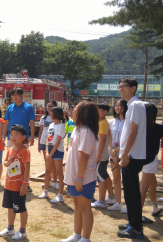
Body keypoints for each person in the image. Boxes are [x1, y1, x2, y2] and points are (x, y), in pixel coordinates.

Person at [60, 101, 99, 242]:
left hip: (84, 177)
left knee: (85, 207)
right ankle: (76, 234)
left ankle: (86, 238)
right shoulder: (76, 129)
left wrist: (80, 178)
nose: (72, 111)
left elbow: (84, 156)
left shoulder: (87, 132)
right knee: (77, 205)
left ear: (83, 113)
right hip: (74, 176)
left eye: (75, 109)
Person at [116, 78, 147, 239]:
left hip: (132, 156)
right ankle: (133, 223)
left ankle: (136, 228)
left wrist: (125, 154)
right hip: (132, 154)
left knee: (131, 193)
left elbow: (133, 132)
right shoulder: (133, 105)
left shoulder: (135, 105)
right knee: (130, 192)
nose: (121, 89)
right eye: (120, 86)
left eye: (124, 86)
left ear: (133, 88)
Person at [139, 103, 163, 223]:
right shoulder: (156, 128)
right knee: (143, 187)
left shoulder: (138, 127)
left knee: (152, 182)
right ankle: (138, 215)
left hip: (138, 159)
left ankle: (155, 208)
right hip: (149, 160)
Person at [0, 124, 31, 240]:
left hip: (19, 186)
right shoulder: (10, 150)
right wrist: (7, 162)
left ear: (23, 137)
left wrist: (24, 184)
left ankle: (22, 230)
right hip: (9, 185)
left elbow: (27, 169)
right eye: (11, 134)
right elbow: (5, 163)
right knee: (10, 207)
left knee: (21, 208)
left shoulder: (25, 151)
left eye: (16, 134)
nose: (13, 137)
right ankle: (10, 228)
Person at [3, 87, 36, 192]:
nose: (14, 97)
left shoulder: (29, 107)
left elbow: (32, 123)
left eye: (16, 95)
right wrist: (4, 136)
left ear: (22, 95)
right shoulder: (9, 108)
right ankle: (12, 181)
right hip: (11, 138)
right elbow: (6, 122)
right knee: (11, 160)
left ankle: (26, 182)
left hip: (23, 139)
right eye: (13, 95)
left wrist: (31, 137)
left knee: (24, 161)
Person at [38, 107, 66, 203]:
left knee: (59, 172)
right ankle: (45, 192)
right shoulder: (51, 125)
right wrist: (46, 151)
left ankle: (60, 195)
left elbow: (58, 142)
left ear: (57, 114)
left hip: (57, 150)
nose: (50, 114)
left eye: (52, 113)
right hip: (50, 149)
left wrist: (50, 154)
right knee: (47, 171)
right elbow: (47, 139)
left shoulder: (61, 126)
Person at [92, 103, 116, 208]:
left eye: (98, 110)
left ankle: (101, 201)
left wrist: (98, 155)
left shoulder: (102, 123)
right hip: (101, 154)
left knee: (100, 176)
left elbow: (102, 141)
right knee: (104, 175)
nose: (96, 112)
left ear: (105, 112)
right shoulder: (100, 122)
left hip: (101, 154)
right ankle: (111, 196)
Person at [108, 99, 127, 212]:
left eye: (120, 105)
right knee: (116, 178)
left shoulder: (128, 122)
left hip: (125, 154)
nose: (118, 107)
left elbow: (127, 140)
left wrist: (117, 151)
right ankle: (118, 203)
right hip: (113, 154)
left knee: (126, 180)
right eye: (116, 105)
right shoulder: (112, 122)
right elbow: (110, 138)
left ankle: (128, 204)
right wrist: (112, 151)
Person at [38, 101, 58, 189]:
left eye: (51, 106)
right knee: (47, 162)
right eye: (48, 106)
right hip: (43, 141)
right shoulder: (43, 118)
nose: (49, 108)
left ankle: (55, 182)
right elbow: (40, 131)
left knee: (53, 163)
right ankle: (48, 181)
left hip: (52, 142)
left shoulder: (56, 119)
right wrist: (39, 143)